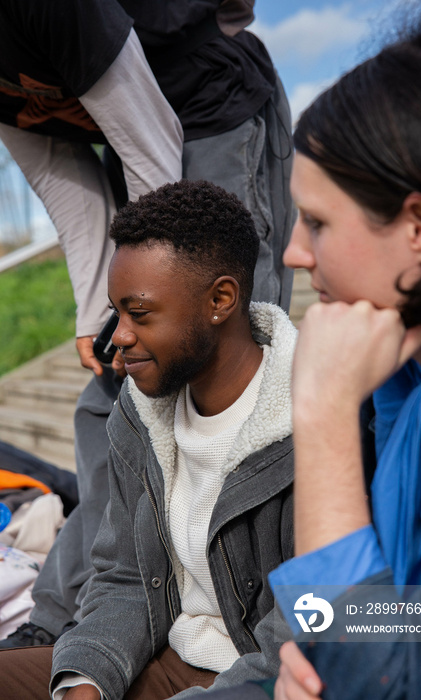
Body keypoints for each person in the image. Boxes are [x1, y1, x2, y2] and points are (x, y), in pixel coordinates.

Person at [189, 2, 421, 699]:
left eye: (316, 221)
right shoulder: (400, 388)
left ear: (420, 228)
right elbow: (324, 631)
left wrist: (322, 412)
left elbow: (393, 681)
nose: (291, 252)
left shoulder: (353, 398)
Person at [0, 0, 295, 648]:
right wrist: (99, 315)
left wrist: (154, 302)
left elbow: (152, 137)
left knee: (228, 371)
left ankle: (257, 630)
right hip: (128, 144)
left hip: (208, 109)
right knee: (112, 400)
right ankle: (62, 619)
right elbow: (61, 178)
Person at [0, 179, 296, 699]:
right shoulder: (137, 418)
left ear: (221, 299)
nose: (118, 336)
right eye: (117, 312)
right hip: (167, 659)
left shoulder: (312, 421)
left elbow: (308, 634)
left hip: (262, 680)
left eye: (140, 313)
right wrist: (86, 682)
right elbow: (124, 578)